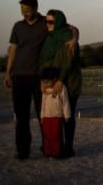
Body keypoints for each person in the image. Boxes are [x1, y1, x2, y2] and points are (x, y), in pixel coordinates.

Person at [4, 0, 78, 160]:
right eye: (22, 10)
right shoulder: (17, 26)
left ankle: (48, 148)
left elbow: (72, 28)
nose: (24, 13)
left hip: (39, 78)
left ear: (36, 9)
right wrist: (8, 72)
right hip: (19, 76)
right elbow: (13, 49)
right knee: (21, 117)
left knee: (43, 116)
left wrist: (74, 39)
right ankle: (23, 151)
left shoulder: (46, 22)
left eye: (27, 10)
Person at [39, 9, 82, 158]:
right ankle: (55, 147)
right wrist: (43, 81)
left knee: (67, 117)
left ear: (58, 21)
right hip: (51, 83)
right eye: (46, 21)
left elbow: (67, 62)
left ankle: (68, 148)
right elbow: (44, 62)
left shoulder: (69, 38)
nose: (48, 24)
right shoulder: (49, 39)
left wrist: (60, 81)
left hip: (69, 83)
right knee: (54, 117)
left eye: (51, 21)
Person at [39, 67, 70, 158]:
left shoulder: (62, 88)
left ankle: (56, 152)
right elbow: (43, 104)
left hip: (57, 116)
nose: (45, 84)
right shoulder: (45, 90)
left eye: (47, 82)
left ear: (54, 79)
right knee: (47, 135)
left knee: (56, 135)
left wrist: (66, 115)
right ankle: (48, 151)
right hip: (46, 117)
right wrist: (42, 116)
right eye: (44, 82)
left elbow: (65, 102)